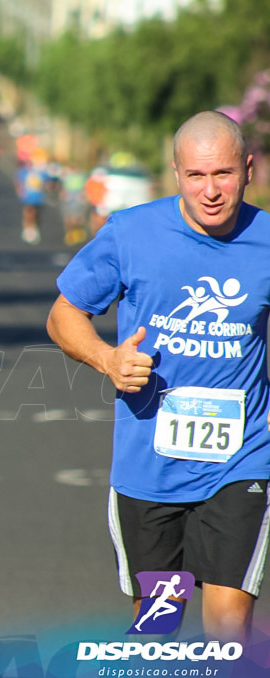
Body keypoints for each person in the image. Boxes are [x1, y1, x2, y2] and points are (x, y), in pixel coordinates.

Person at [46, 111, 270, 645]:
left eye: (223, 174)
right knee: (158, 628)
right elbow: (63, 316)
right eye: (196, 176)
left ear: (249, 169)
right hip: (151, 465)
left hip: (242, 459)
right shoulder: (131, 233)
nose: (211, 190)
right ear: (175, 174)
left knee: (228, 625)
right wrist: (107, 360)